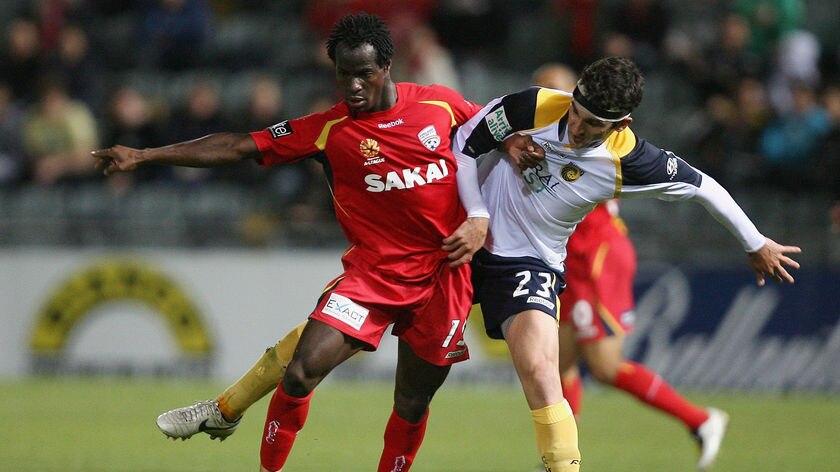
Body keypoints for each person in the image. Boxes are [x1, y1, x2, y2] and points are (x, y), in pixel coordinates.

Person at [92, 13, 490, 472]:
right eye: (344, 74)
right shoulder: (329, 128)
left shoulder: (441, 105)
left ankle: (227, 412)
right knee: (300, 372)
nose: (354, 86)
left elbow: (497, 130)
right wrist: (144, 155)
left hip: (445, 279)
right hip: (373, 279)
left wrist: (516, 149)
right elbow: (240, 146)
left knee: (412, 403)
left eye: (364, 74)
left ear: (386, 66)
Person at [450, 56, 800, 472]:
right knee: (447, 368)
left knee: (561, 367)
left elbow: (703, 186)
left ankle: (570, 456)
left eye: (593, 124)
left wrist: (755, 242)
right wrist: (483, 199)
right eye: (576, 113)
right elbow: (468, 137)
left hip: (556, 260)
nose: (577, 128)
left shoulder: (629, 161)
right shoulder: (537, 105)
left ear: (621, 124)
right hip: (474, 241)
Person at [530, 62, 732, 471]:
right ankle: (561, 459)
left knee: (603, 366)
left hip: (596, 258)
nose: (544, 100)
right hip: (569, 260)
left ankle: (701, 420)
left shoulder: (590, 137)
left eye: (551, 91)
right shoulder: (553, 128)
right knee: (557, 363)